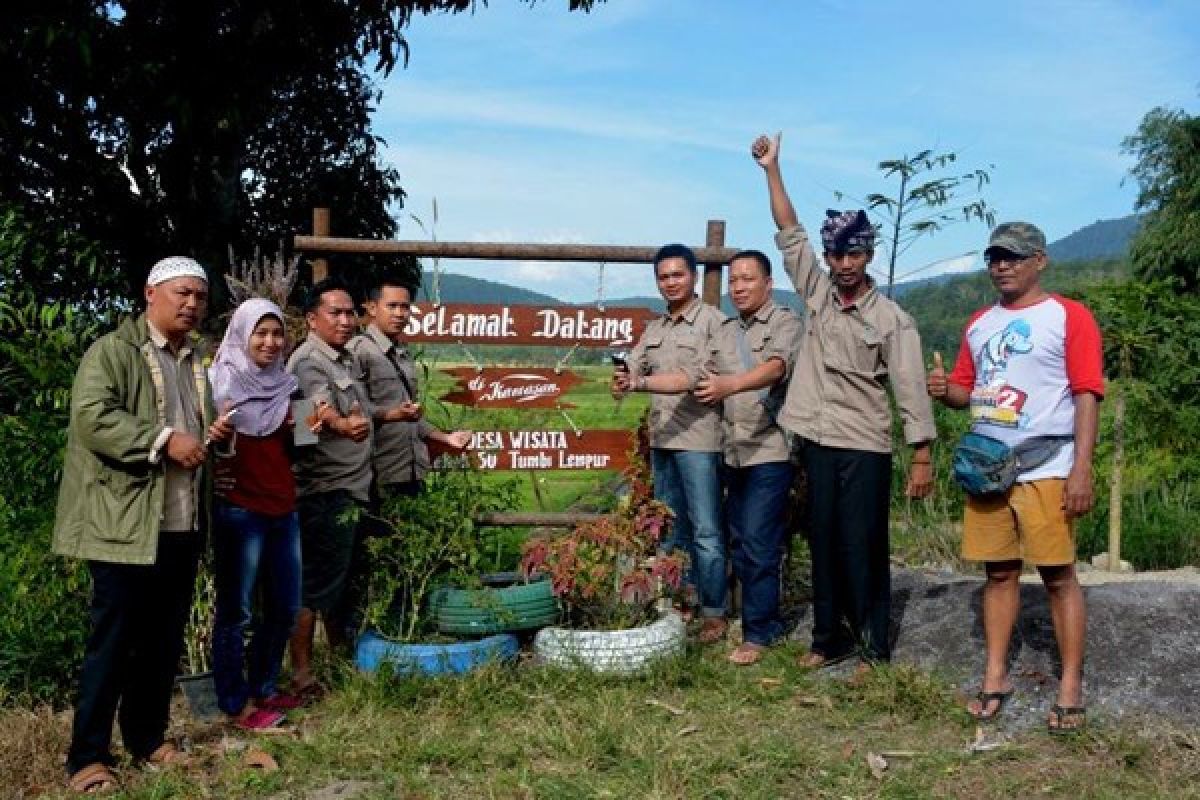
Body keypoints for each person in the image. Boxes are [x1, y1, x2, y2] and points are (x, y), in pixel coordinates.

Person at [752, 132, 936, 670]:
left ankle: (873, 648)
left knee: (863, 547)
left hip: (865, 446)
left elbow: (909, 390)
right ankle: (826, 640)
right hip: (817, 438)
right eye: (836, 253)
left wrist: (921, 454)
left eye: (853, 252)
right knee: (825, 543)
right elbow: (790, 234)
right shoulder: (817, 293)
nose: (843, 262)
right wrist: (772, 169)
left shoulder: (890, 321)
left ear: (868, 254)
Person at [53, 257, 233, 793]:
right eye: (182, 293)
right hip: (121, 524)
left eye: (199, 296)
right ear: (150, 293)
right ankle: (87, 755)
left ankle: (147, 738)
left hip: (179, 521)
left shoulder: (194, 359)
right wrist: (164, 440)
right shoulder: (113, 352)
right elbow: (93, 417)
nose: (191, 304)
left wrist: (209, 435)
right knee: (113, 641)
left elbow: (193, 431)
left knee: (160, 641)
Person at [927, 221, 1103, 733]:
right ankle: (995, 673)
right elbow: (969, 392)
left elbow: (1086, 393)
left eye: (1013, 257)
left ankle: (1070, 683)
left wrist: (1081, 470)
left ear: (1040, 261)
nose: (1001, 266)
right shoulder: (980, 323)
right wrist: (946, 390)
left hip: (1048, 465)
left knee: (1058, 575)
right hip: (988, 468)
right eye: (994, 258)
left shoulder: (1068, 317)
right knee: (999, 573)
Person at [612, 244, 729, 643]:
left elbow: (694, 378)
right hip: (663, 441)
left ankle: (714, 613)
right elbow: (635, 362)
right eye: (663, 277)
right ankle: (680, 607)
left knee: (707, 531)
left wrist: (639, 383)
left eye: (677, 274)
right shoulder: (656, 328)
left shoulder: (714, 322)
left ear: (693, 276)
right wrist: (622, 376)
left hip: (699, 442)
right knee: (670, 531)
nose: (670, 282)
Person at [694, 249, 801, 665]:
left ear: (768, 283)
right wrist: (638, 379)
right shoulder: (723, 331)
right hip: (732, 450)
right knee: (739, 539)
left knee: (758, 541)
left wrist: (730, 385)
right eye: (733, 280)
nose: (738, 287)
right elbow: (699, 375)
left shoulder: (785, 322)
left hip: (770, 449)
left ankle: (760, 631)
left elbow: (776, 369)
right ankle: (756, 619)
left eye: (747, 279)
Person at [208, 298, 307, 730]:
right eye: (260, 333)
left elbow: (305, 449)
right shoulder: (217, 384)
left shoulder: (290, 385)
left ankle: (265, 686)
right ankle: (236, 703)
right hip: (239, 509)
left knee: (284, 606)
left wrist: (312, 426)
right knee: (238, 612)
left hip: (283, 506)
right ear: (242, 334)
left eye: (277, 334)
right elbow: (202, 444)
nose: (269, 342)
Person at [286, 276, 374, 697]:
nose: (345, 320)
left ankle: (339, 658)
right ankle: (302, 673)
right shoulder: (308, 362)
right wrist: (340, 423)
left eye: (350, 312)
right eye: (334, 313)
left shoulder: (345, 359)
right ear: (311, 319)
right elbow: (310, 419)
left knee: (340, 582)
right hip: (325, 489)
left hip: (352, 486)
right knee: (315, 584)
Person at [349, 279, 471, 500]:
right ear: (373, 308)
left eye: (405, 307)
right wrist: (393, 415)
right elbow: (354, 412)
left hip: (412, 470)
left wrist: (445, 438)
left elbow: (411, 417)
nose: (399, 313)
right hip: (377, 474)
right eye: (392, 306)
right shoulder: (359, 351)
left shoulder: (403, 353)